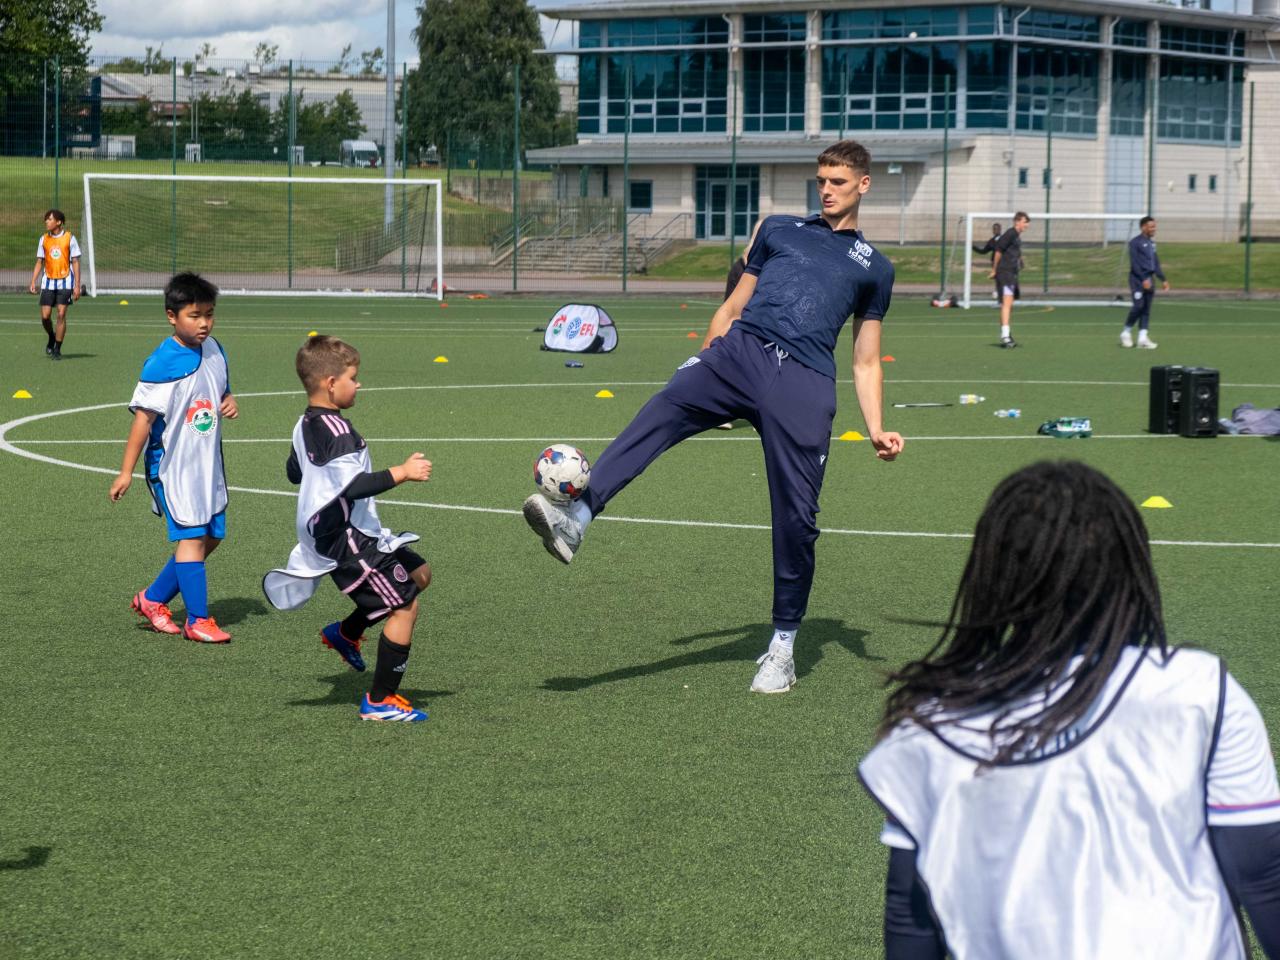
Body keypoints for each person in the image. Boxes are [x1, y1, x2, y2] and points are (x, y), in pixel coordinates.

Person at [522, 140, 903, 694]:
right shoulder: (777, 229)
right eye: (821, 180)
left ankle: (783, 647)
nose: (826, 190)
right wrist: (704, 359)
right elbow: (732, 308)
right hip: (740, 353)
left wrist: (875, 428)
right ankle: (575, 521)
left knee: (797, 518)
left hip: (805, 382)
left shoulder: (876, 269)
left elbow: (866, 358)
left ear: (863, 185)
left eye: (838, 182)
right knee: (664, 406)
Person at [859, 460, 1280, 960]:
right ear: (1129, 568)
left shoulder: (933, 723)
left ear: (993, 575)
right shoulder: (1199, 690)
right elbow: (1262, 873)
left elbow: (911, 912)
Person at [263, 335, 434, 723]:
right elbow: (353, 486)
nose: (358, 385)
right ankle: (379, 701)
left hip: (353, 527)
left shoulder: (305, 423)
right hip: (342, 536)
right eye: (353, 378)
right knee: (405, 606)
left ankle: (346, 633)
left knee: (418, 574)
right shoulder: (339, 433)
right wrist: (402, 472)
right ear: (330, 383)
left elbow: (293, 471)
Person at [109, 273, 238, 643]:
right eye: (194, 315)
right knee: (193, 537)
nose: (204, 323)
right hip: (173, 467)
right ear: (171, 316)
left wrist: (229, 400)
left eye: (209, 314)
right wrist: (125, 473)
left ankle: (151, 599)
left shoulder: (215, 350)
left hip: (207, 463)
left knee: (211, 536)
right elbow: (143, 422)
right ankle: (198, 621)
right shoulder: (162, 363)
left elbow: (221, 389)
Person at [28, 209, 81, 360]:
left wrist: (77, 285)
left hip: (65, 281)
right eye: (46, 219)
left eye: (50, 219)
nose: (47, 222)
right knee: (45, 317)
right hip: (48, 282)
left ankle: (57, 348)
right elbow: (40, 261)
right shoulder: (43, 239)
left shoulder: (69, 238)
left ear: (59, 222)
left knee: (61, 314)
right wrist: (33, 280)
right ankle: (51, 336)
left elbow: (76, 261)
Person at [1121, 216, 1169, 350]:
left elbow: (1155, 263)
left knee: (1146, 309)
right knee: (1138, 306)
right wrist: (1143, 279)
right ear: (1143, 227)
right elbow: (1135, 264)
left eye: (1155, 226)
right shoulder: (1135, 243)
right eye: (1151, 226)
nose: (1154, 229)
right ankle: (1126, 332)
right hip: (1137, 279)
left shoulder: (1152, 244)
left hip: (1150, 279)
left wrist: (1163, 279)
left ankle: (1142, 338)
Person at [989, 212, 1029, 348]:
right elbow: (998, 251)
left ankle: (1006, 333)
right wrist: (994, 269)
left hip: (1011, 274)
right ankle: (1005, 336)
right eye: (1025, 222)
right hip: (1004, 273)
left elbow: (1014, 251)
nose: (1026, 225)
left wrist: (1020, 261)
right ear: (1017, 221)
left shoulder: (1017, 237)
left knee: (1009, 304)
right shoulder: (1010, 233)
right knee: (1006, 303)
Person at [971, 221, 1001, 301]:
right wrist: (973, 247)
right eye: (994, 229)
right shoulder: (991, 241)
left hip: (1004, 262)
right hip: (994, 263)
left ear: (1000, 230)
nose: (995, 231)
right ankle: (998, 294)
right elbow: (983, 251)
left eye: (997, 229)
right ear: (993, 231)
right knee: (998, 279)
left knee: (1001, 279)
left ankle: (1000, 294)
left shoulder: (1004, 239)